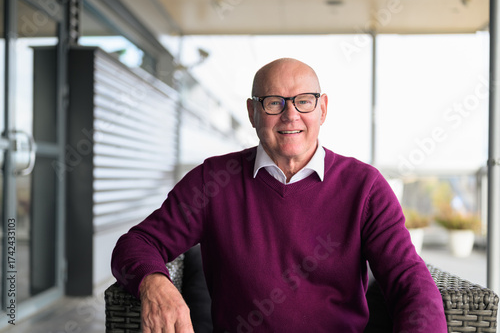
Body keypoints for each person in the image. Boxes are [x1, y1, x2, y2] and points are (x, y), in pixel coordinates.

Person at [111, 58, 447, 332]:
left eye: (304, 101)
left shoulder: (365, 186)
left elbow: (408, 279)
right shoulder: (211, 181)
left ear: (322, 109)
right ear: (252, 112)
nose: (290, 115)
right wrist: (154, 283)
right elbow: (135, 244)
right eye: (274, 102)